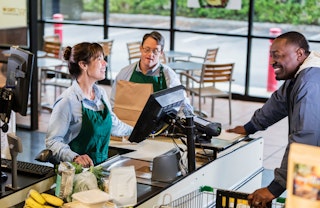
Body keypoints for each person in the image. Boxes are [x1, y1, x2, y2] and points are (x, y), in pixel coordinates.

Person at [227, 31, 320, 207]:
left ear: (299, 54)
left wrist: (274, 188)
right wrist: (249, 127)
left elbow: (305, 142)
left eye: (277, 56)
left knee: (305, 203)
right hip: (311, 163)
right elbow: (278, 103)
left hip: (312, 165)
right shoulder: (300, 75)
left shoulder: (309, 84)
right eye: (271, 56)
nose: (272, 62)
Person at [45, 42, 133, 167]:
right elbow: (52, 141)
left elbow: (114, 124)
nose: (105, 63)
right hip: (75, 173)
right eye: (99, 59)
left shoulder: (101, 93)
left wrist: (138, 132)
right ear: (83, 65)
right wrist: (74, 157)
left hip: (100, 168)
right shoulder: (67, 101)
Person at [110, 31, 192, 112]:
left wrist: (189, 117)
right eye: (147, 49)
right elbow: (114, 104)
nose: (150, 54)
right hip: (128, 123)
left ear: (161, 53)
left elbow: (183, 103)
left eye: (155, 51)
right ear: (141, 49)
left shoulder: (169, 76)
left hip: (158, 124)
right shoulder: (124, 73)